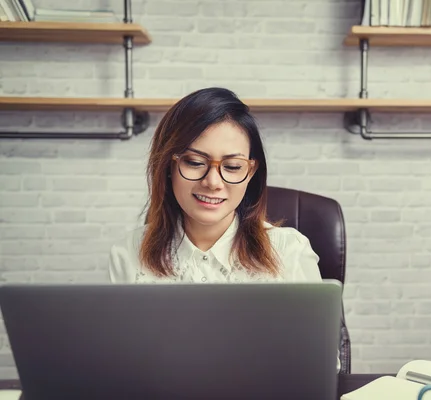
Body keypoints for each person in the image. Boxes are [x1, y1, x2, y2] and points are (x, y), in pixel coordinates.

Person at [108, 87, 340, 371]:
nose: (213, 182)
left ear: (251, 172)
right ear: (169, 165)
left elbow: (321, 365)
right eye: (195, 162)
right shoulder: (129, 251)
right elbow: (120, 364)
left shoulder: (289, 251)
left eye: (231, 166)